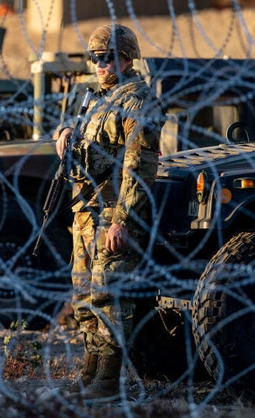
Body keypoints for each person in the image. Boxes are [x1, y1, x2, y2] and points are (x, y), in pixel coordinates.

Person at [56, 24, 163, 401]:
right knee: (85, 296)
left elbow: (139, 165)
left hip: (113, 214)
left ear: (127, 58)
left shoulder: (137, 101)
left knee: (111, 295)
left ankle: (109, 380)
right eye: (96, 58)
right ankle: (91, 372)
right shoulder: (100, 100)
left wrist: (123, 220)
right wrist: (67, 136)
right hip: (87, 212)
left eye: (109, 57)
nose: (101, 64)